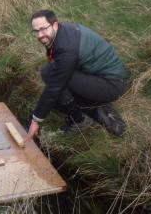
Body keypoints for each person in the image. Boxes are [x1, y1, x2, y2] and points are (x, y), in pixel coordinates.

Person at [25, 9, 127, 141]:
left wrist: (35, 120)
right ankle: (91, 108)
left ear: (54, 25)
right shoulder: (60, 33)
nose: (40, 35)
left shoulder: (66, 48)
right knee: (48, 72)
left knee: (53, 78)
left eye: (43, 29)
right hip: (95, 76)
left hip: (111, 85)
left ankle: (80, 120)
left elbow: (55, 87)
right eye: (36, 31)